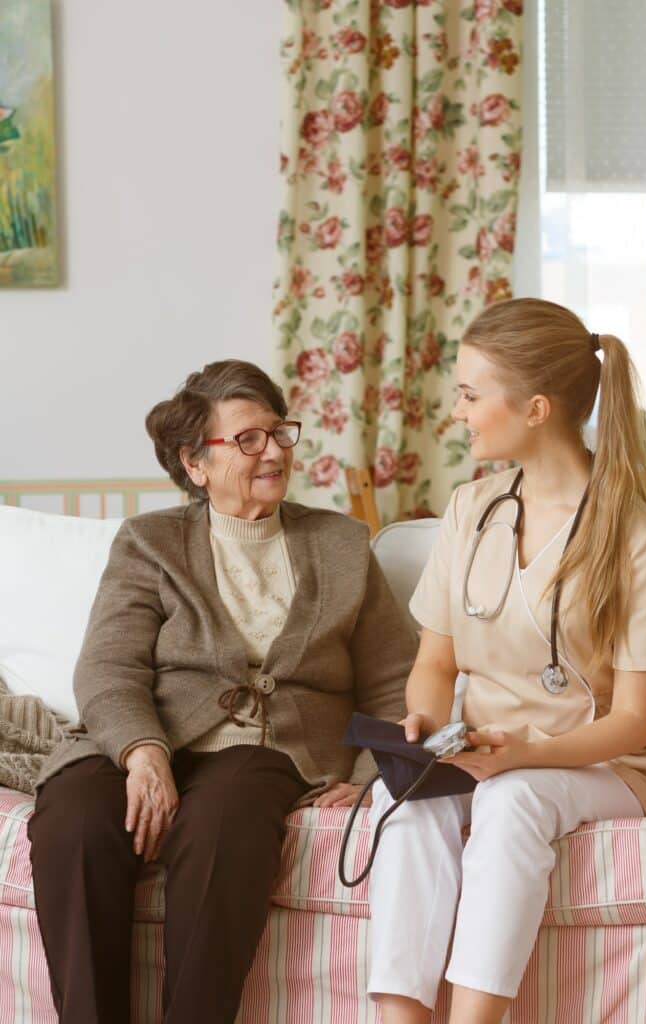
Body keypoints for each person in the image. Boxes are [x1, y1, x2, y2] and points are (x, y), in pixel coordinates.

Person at [28, 359, 416, 1024]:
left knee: (221, 824)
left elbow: (395, 684)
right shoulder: (150, 543)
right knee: (76, 821)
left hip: (267, 751)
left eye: (278, 434)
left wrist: (371, 772)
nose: (272, 452)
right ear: (195, 462)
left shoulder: (342, 544)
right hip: (144, 735)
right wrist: (142, 752)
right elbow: (108, 667)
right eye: (247, 440)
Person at [367, 298, 646, 1024]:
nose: (456, 411)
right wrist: (420, 723)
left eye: (471, 394)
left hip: (604, 766)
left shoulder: (638, 537)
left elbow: (634, 721)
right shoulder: (471, 509)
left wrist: (530, 753)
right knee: (403, 801)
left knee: (516, 798)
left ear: (536, 408)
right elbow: (435, 664)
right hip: (480, 750)